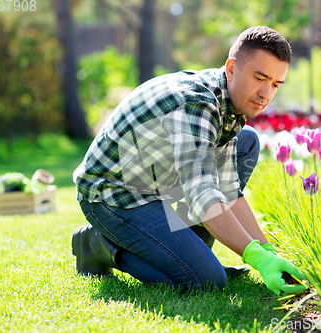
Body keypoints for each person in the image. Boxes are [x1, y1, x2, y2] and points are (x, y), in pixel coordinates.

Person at [72, 26, 306, 296]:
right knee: (205, 279)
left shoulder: (229, 102)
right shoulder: (196, 104)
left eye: (275, 84)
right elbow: (203, 195)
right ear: (231, 68)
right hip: (114, 195)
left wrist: (268, 252)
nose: (266, 93)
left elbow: (227, 190)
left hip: (158, 184)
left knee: (247, 141)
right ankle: (99, 245)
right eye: (259, 78)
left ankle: (182, 255)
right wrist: (258, 259)